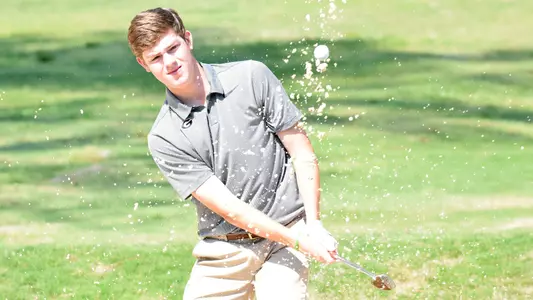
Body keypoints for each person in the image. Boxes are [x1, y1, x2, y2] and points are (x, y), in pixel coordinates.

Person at [127, 7, 339, 300]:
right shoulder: (164, 136)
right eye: (156, 58)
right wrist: (301, 240)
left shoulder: (251, 77)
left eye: (172, 48)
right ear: (144, 64)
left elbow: (302, 153)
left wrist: (312, 227)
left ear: (187, 40)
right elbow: (230, 208)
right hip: (225, 251)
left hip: (286, 235)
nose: (169, 62)